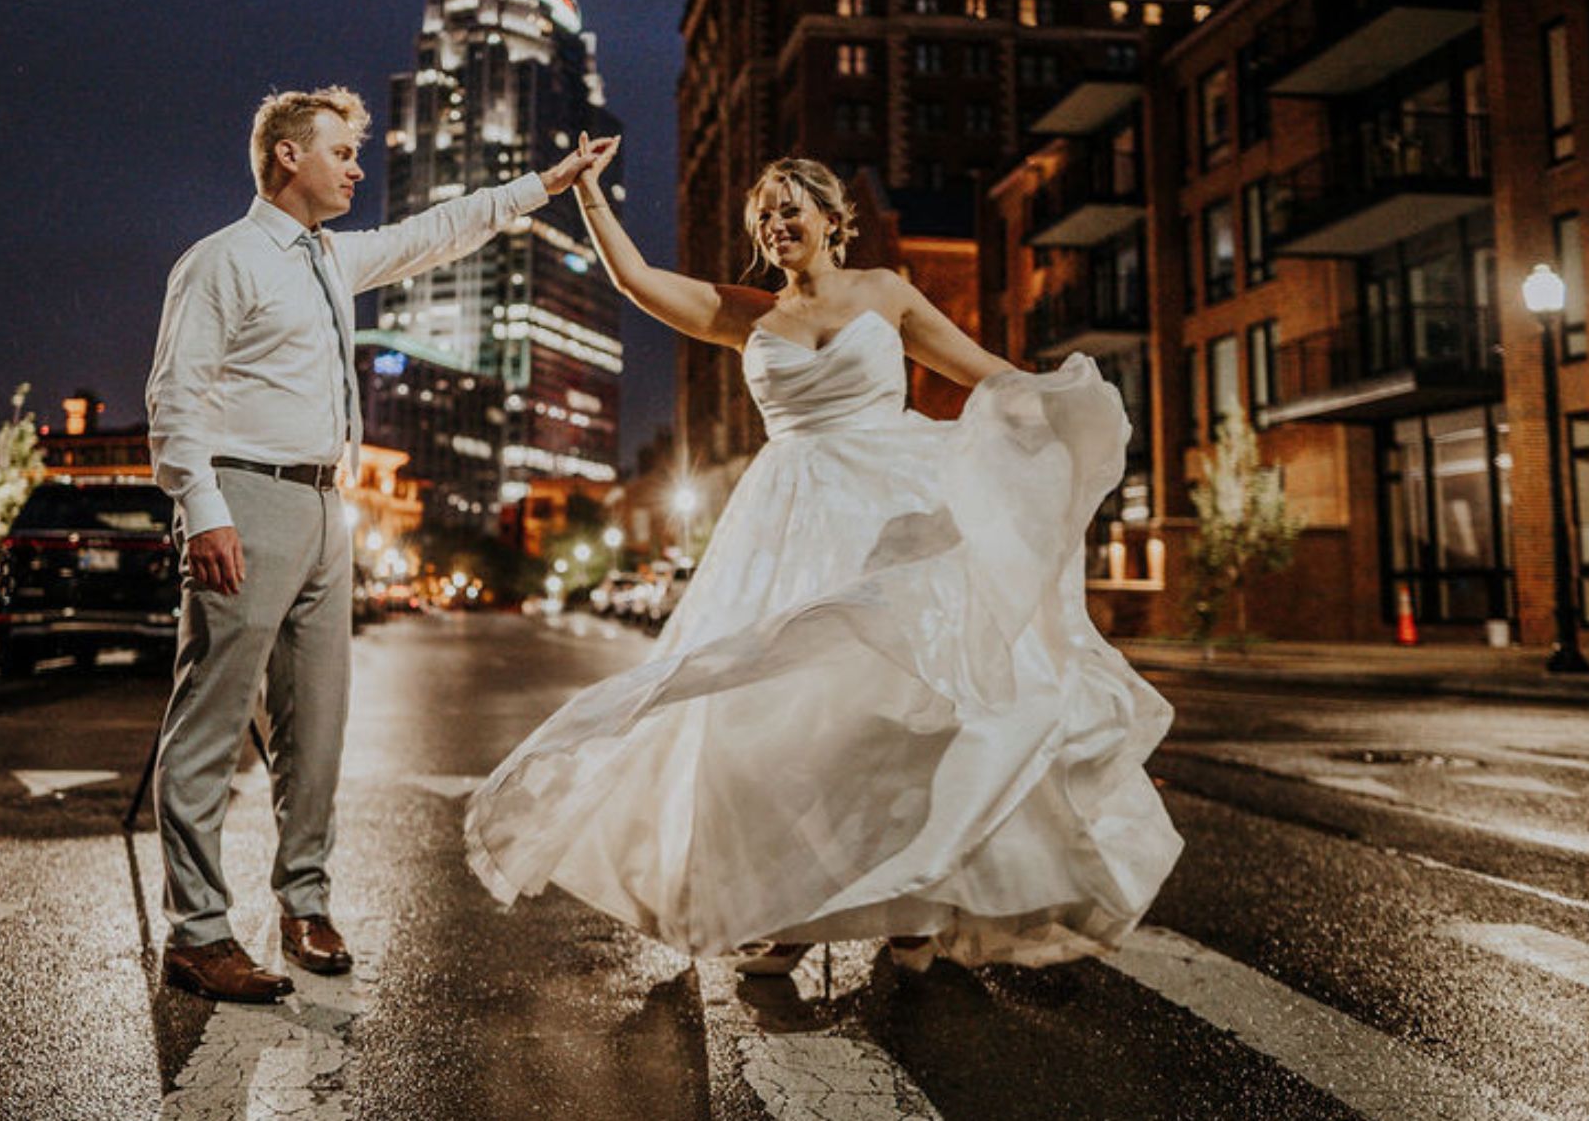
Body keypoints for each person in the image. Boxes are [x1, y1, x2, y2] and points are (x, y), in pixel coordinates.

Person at [465, 150, 1183, 974]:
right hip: (787, 520)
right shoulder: (748, 314)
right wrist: (587, 192)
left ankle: (912, 905)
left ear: (833, 219)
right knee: (776, 719)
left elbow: (984, 376)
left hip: (890, 509)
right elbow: (635, 282)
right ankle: (790, 912)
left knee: (907, 710)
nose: (775, 224)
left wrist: (1062, 407)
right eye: (763, 214)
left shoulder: (888, 293)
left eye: (789, 207)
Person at [146, 85, 614, 1003]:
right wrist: (202, 509)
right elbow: (174, 398)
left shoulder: (330, 258)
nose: (358, 168)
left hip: (328, 509)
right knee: (210, 720)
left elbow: (438, 230)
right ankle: (198, 931)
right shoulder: (223, 260)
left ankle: (304, 903)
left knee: (317, 723)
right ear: (288, 156)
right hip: (246, 495)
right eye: (342, 152)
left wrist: (542, 186)